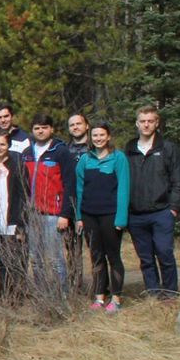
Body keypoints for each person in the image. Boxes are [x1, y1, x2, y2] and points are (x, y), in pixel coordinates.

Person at [124, 106, 180, 300]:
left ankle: (170, 294)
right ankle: (152, 292)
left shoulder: (168, 148)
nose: (146, 124)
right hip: (135, 214)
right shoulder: (129, 149)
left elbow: (179, 180)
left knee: (164, 253)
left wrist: (173, 208)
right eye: (143, 121)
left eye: (150, 121)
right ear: (137, 123)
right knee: (145, 258)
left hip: (162, 212)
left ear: (157, 123)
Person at [75, 123, 131, 312]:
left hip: (111, 215)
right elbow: (80, 189)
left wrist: (121, 219)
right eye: (95, 135)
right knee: (96, 256)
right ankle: (100, 297)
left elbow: (124, 188)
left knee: (113, 256)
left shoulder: (118, 158)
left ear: (108, 137)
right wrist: (79, 216)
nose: (98, 138)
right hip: (90, 215)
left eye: (101, 135)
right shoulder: (85, 159)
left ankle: (115, 298)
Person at [22, 113, 75, 295]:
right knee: (35, 258)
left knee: (55, 258)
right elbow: (23, 184)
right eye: (37, 128)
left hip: (54, 214)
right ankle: (41, 294)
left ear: (51, 129)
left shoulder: (60, 151)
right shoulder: (27, 154)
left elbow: (70, 184)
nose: (41, 131)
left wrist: (65, 214)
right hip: (33, 214)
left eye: (44, 127)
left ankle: (62, 295)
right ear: (32, 131)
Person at [0, 132, 30, 298]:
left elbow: (24, 195)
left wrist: (20, 221)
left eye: (2, 145)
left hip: (12, 220)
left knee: (13, 259)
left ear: (8, 146)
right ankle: (3, 291)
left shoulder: (17, 166)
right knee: (0, 260)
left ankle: (16, 294)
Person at [64, 113, 91, 291]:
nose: (75, 127)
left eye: (79, 124)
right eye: (72, 125)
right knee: (72, 251)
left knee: (96, 249)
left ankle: (101, 288)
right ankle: (76, 287)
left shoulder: (96, 147)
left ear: (87, 126)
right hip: (70, 207)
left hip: (92, 206)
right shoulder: (65, 150)